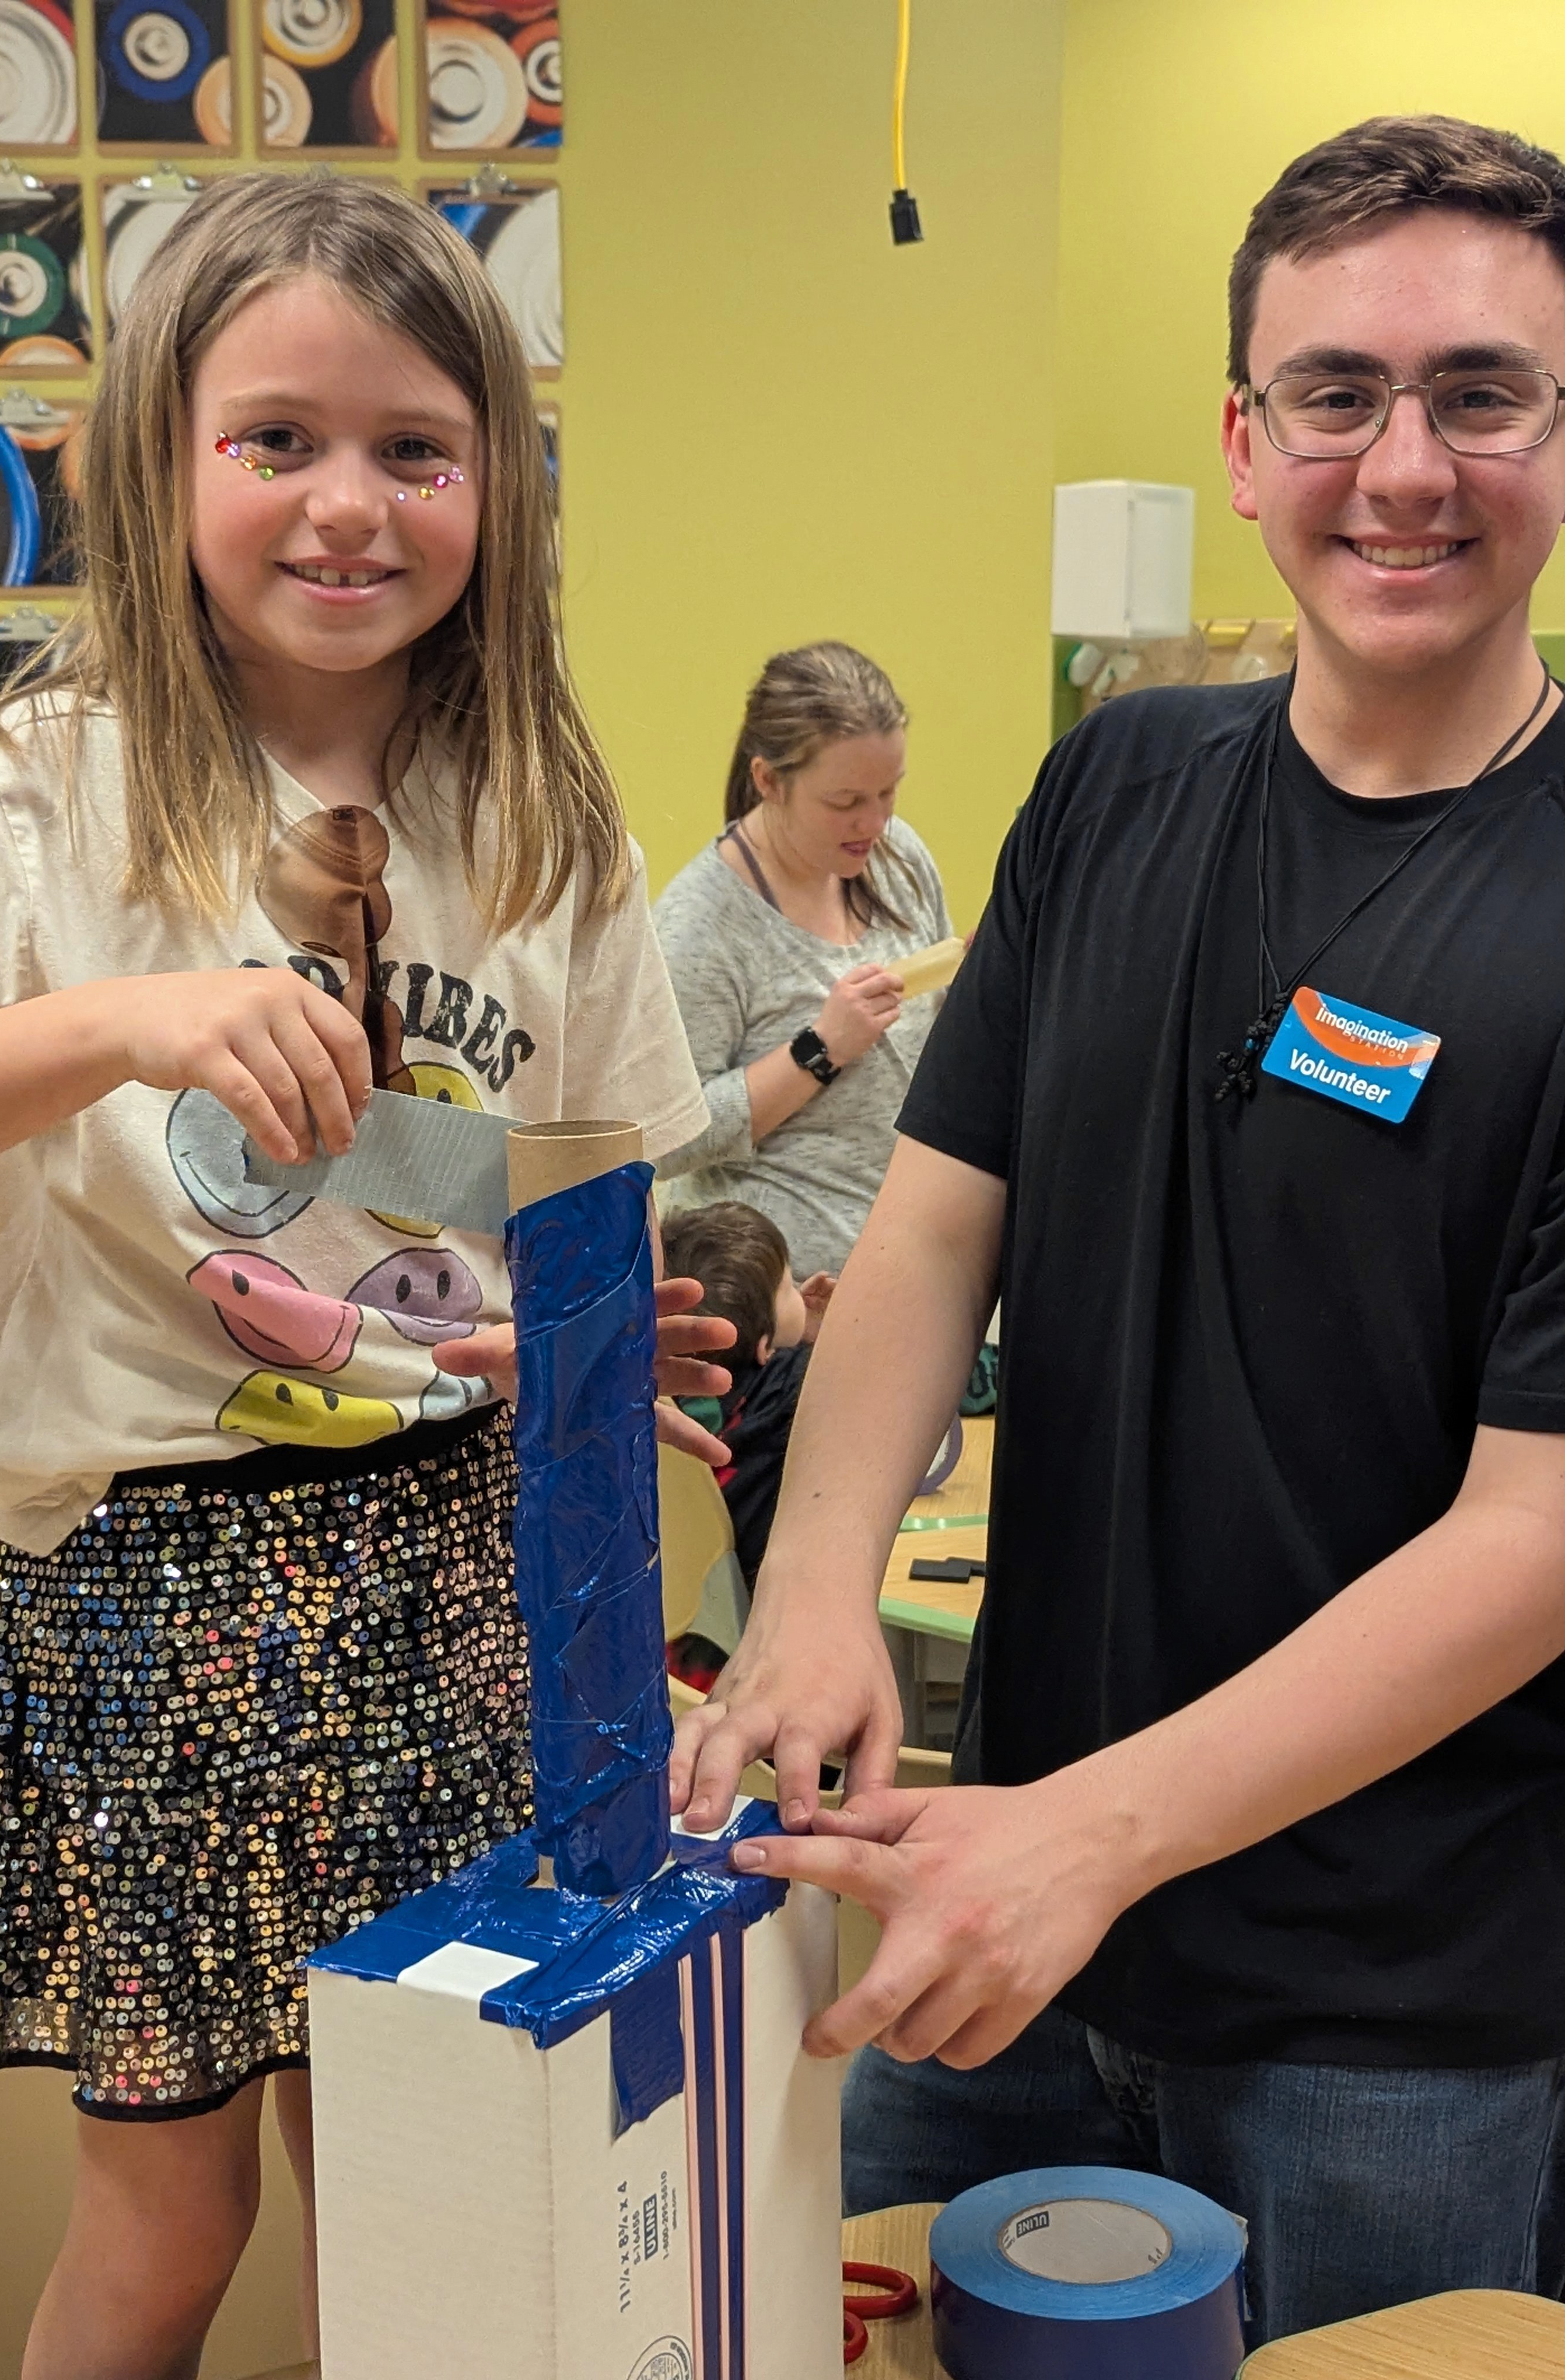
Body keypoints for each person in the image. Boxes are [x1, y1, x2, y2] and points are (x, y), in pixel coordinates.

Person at [0, 175, 733, 2380]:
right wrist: (121, 1021)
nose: (348, 506)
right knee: (169, 2219)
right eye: (274, 439)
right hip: (156, 1600)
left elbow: (577, 1222)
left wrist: (595, 1494)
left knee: (418, 2167)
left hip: (447, 1572)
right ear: (160, 460)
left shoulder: (544, 811)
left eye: (415, 446)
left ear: (496, 473)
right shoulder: (38, 788)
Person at [674, 115, 1565, 2347]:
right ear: (1245, 439)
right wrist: (807, 1598)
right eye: (1338, 395)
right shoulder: (1115, 785)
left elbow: (1536, 1530)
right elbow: (931, 1231)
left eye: (1481, 393)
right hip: (1001, 1919)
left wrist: (1096, 1831)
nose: (1405, 465)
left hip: (1390, 2018)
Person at [653, 640, 954, 1283]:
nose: (873, 822)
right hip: (783, 1310)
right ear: (769, 781)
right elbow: (665, 1139)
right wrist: (819, 1050)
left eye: (888, 792)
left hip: (910, 1270)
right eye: (845, 802)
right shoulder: (698, 927)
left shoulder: (897, 858)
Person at [662, 1199, 814, 1593]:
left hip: (671, 1620)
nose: (800, 1291)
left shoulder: (657, 1394)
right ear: (764, 1345)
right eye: (788, 1285)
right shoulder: (790, 1383)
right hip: (758, 1613)